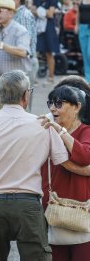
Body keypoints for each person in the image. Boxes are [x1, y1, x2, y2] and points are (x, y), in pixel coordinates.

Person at [0, 69, 69, 260]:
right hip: (28, 204)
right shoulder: (42, 124)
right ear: (26, 95)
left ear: (1, 94)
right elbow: (61, 161)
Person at [39, 80, 90, 261]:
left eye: (59, 103)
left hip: (81, 210)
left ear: (76, 107)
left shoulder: (86, 130)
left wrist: (60, 131)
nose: (53, 108)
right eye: (51, 103)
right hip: (52, 208)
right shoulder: (46, 129)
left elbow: (85, 156)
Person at [0, 0, 30, 109]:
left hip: (16, 84)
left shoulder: (20, 30)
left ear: (10, 13)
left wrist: (0, 44)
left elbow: (23, 52)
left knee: (18, 120)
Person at [6, 0, 37, 110]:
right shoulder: (16, 14)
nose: (5, 0)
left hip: (25, 63)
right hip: (18, 62)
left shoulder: (23, 15)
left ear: (17, 0)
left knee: (23, 103)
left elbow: (25, 46)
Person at [32, 0, 59, 83]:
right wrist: (44, 11)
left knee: (49, 52)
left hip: (48, 27)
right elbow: (33, 10)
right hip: (37, 26)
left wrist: (39, 11)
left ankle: (51, 77)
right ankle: (34, 77)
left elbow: (50, 14)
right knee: (35, 52)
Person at [76, 0, 90, 83]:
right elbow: (78, 13)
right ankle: (88, 79)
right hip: (82, 27)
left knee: (89, 53)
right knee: (85, 54)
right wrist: (76, 25)